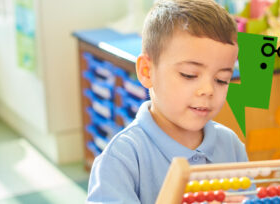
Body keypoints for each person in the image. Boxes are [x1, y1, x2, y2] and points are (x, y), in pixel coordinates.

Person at [86, 0, 249, 203]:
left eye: (221, 80)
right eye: (189, 75)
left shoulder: (231, 146)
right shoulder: (121, 160)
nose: (208, 90)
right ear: (147, 71)